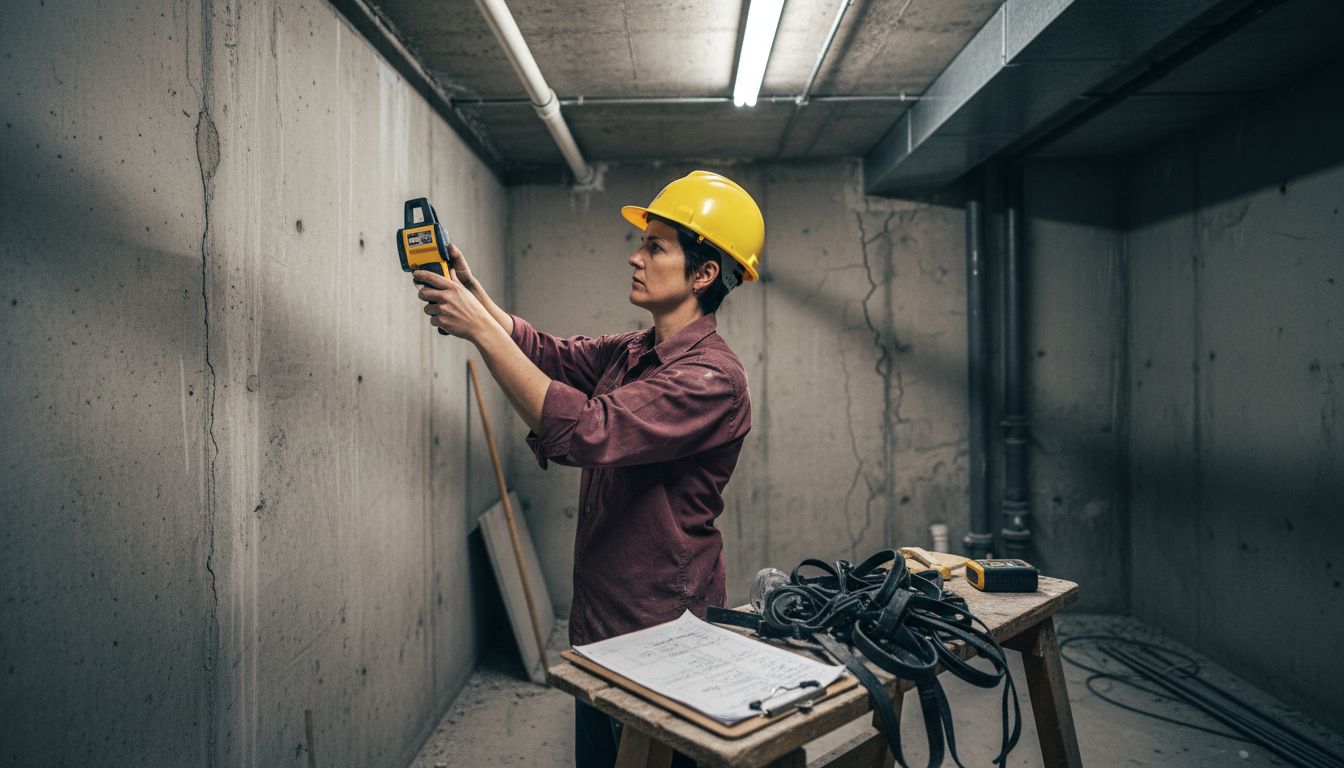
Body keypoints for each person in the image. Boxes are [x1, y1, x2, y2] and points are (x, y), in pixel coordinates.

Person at [413, 170, 763, 768]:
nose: (636, 256)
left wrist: (476, 329)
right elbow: (548, 353)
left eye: (656, 246)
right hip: (602, 620)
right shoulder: (637, 351)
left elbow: (587, 430)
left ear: (704, 274)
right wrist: (476, 296)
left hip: (662, 631)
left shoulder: (710, 380)